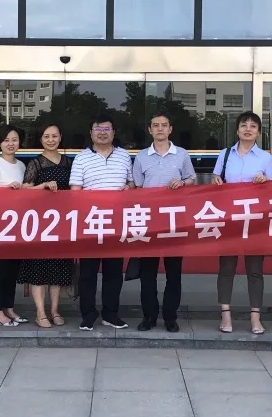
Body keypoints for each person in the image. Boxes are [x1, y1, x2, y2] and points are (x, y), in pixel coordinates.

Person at [132, 111, 196, 333]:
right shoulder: (141, 157)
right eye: (155, 125)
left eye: (164, 125)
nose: (160, 128)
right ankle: (149, 315)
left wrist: (183, 183)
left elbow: (191, 178)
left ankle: (170, 316)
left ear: (170, 129)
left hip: (174, 221)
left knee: (173, 272)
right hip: (149, 221)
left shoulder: (182, 154)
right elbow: (137, 187)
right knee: (147, 273)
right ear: (150, 130)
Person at [212, 110, 272, 335]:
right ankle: (225, 315)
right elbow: (216, 179)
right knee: (226, 268)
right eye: (244, 125)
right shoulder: (225, 154)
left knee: (255, 270)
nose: (248, 129)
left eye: (253, 126)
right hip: (229, 219)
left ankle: (255, 318)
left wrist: (265, 181)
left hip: (254, 220)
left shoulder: (265, 158)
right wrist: (216, 180)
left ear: (258, 132)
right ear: (237, 129)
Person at [70, 114, 134, 331]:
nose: (103, 133)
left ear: (114, 133)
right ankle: (88, 315)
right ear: (91, 133)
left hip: (116, 223)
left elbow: (132, 183)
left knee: (113, 272)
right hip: (91, 222)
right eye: (98, 129)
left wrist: (129, 188)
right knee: (87, 272)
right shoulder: (81, 158)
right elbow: (75, 191)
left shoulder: (124, 156)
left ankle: (110, 314)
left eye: (107, 129)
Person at [18, 122, 73, 327]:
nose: (51, 140)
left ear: (60, 137)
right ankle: (40, 312)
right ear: (41, 139)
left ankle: (55, 310)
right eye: (46, 136)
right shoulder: (35, 163)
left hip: (62, 223)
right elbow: (24, 190)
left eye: (54, 136)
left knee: (58, 268)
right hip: (39, 223)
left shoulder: (69, 163)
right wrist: (42, 187)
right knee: (38, 269)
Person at [0, 125, 27, 327]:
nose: (10, 144)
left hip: (17, 226)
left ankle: (8, 307)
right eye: (6, 140)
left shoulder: (21, 166)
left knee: (12, 269)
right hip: (0, 226)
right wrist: (6, 190)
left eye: (14, 140)